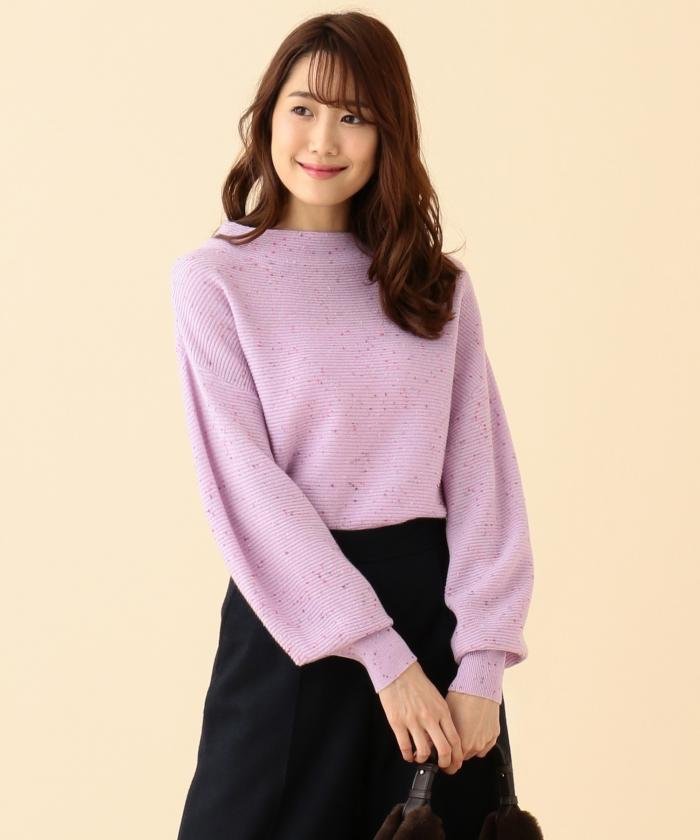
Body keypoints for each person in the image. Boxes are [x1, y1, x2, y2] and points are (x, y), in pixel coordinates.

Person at [170, 11, 534, 840]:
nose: (323, 139)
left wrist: (482, 662)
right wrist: (380, 655)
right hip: (294, 619)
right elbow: (246, 485)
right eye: (302, 108)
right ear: (267, 116)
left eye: (354, 116)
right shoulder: (216, 280)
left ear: (387, 134)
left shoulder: (434, 286)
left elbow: (483, 477)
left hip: (437, 615)